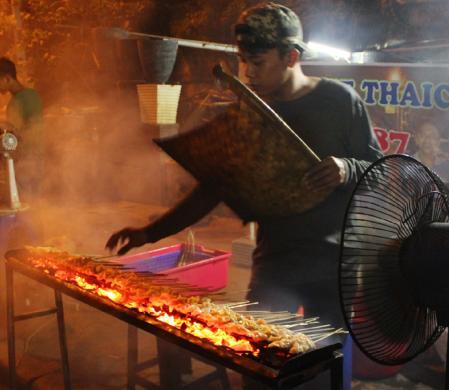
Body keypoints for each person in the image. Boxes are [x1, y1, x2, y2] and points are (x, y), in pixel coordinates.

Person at [106, 3, 383, 388]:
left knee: (327, 372)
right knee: (257, 365)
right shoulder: (249, 115)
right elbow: (213, 189)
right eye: (242, 62)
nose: (248, 73)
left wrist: (345, 168)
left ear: (291, 56)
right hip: (276, 260)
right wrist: (149, 233)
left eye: (257, 62)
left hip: (333, 265)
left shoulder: (339, 103)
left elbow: (380, 171)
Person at [0, 57, 45, 199]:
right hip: (22, 159)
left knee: (28, 202)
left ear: (7, 78)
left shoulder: (28, 97)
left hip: (30, 160)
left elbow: (32, 131)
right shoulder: (16, 100)